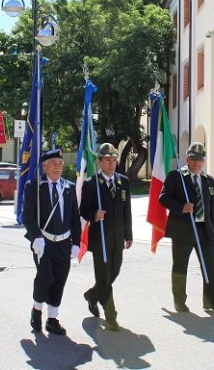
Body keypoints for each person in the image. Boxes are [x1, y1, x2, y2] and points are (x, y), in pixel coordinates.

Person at [159, 142, 214, 314]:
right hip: (183, 230)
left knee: (210, 266)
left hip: (205, 230)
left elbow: (211, 205)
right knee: (180, 266)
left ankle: (211, 301)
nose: (197, 162)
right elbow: (163, 198)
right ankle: (179, 302)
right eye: (194, 159)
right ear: (187, 159)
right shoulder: (176, 176)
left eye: (200, 159)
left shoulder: (208, 180)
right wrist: (181, 207)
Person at [22, 148, 81, 335]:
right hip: (43, 242)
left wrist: (76, 242)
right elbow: (27, 215)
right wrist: (36, 237)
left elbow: (74, 217)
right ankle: (37, 309)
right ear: (44, 167)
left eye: (60, 164)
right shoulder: (34, 187)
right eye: (53, 164)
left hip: (63, 243)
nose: (58, 167)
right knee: (46, 277)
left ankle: (52, 319)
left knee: (60, 280)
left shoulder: (69, 188)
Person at [79, 143, 132, 331]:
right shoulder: (91, 184)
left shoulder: (123, 182)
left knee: (113, 273)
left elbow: (127, 210)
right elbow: (83, 209)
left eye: (114, 160)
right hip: (100, 238)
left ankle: (93, 295)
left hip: (118, 238)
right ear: (99, 162)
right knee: (103, 277)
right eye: (107, 160)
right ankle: (111, 316)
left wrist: (128, 234)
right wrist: (94, 215)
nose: (111, 163)